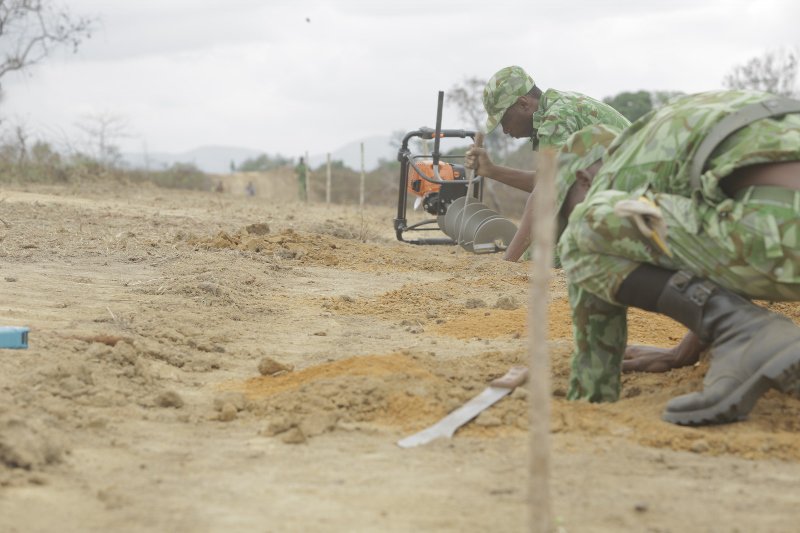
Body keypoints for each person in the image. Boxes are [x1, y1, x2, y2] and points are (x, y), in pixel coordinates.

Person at [551, 90, 800, 426]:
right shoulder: (672, 132)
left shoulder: (617, 171)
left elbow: (594, 327)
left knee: (583, 231)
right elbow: (710, 255)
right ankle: (743, 331)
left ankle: (746, 333)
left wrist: (589, 391)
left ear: (583, 179)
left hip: (783, 234)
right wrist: (682, 353)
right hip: (775, 224)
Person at [465, 65, 630, 194]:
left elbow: (547, 189)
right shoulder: (558, 103)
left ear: (523, 104)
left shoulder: (555, 119)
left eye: (505, 121)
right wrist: (491, 170)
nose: (505, 130)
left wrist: (492, 170)